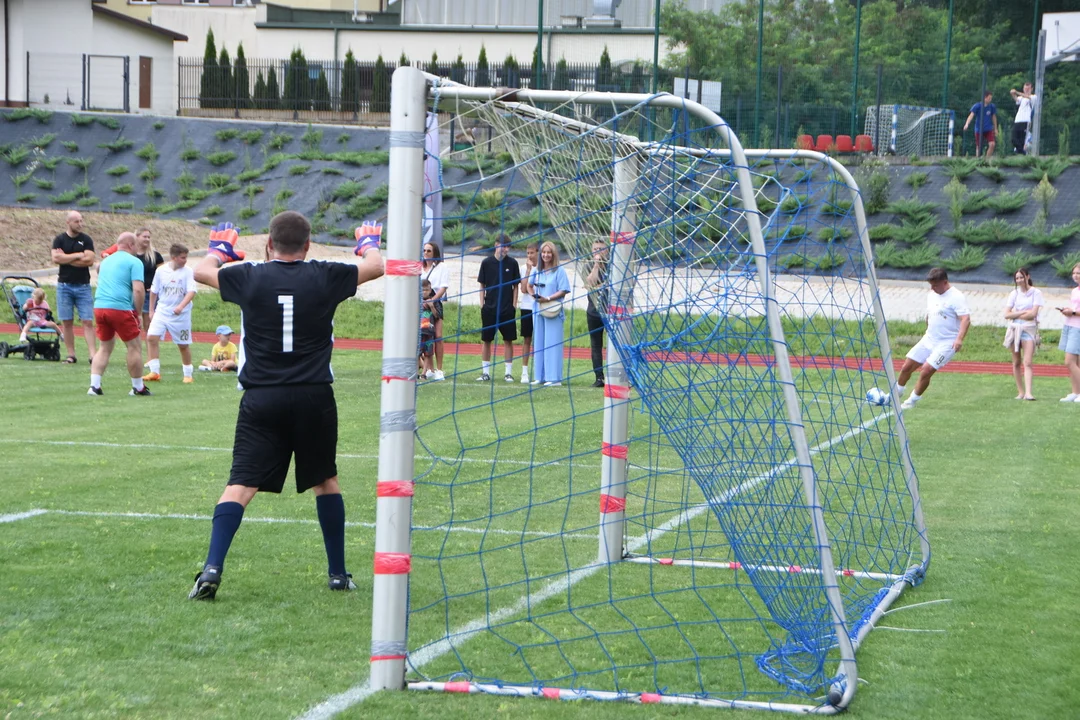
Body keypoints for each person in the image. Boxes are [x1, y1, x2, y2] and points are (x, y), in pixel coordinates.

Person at [187, 213, 384, 600]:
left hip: (262, 397)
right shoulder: (325, 274)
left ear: (268, 245)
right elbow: (375, 266)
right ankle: (338, 574)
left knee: (241, 484)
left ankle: (212, 567)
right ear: (308, 245)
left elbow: (201, 272)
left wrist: (219, 250)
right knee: (325, 480)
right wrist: (367, 242)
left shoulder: (249, 276)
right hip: (313, 395)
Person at [895, 268, 970, 410]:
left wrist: (959, 339)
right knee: (907, 366)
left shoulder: (956, 297)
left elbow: (965, 319)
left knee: (926, 370)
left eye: (935, 285)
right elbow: (931, 313)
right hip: (929, 338)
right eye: (931, 285)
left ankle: (911, 401)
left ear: (945, 282)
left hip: (947, 343)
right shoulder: (932, 294)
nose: (932, 288)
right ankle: (895, 394)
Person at [88, 232, 149, 397]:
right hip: (120, 307)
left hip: (100, 306)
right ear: (130, 245)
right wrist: (137, 312)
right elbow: (138, 289)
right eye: (135, 244)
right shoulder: (135, 262)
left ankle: (94, 386)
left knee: (105, 347)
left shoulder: (106, 262)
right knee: (134, 346)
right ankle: (138, 386)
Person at [143, 243, 196, 384]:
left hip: (181, 315)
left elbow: (191, 292)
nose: (185, 260)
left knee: (183, 344)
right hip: (162, 311)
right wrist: (151, 310)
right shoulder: (161, 271)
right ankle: (154, 372)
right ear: (173, 257)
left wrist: (181, 306)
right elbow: (154, 291)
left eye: (186, 257)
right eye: (183, 257)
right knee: (151, 338)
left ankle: (188, 374)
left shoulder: (188, 271)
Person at [51, 210, 97, 364]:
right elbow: (56, 258)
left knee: (87, 321)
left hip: (83, 286)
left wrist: (66, 258)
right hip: (64, 286)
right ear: (68, 222)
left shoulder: (86, 240)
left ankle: (93, 355)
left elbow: (89, 260)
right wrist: (78, 255)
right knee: (67, 322)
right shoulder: (59, 240)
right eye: (77, 221)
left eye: (81, 221)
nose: (80, 224)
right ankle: (71, 355)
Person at [476, 235, 521, 382]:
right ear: (496, 245)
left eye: (508, 246)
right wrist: (482, 304)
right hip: (489, 308)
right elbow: (482, 285)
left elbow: (516, 286)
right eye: (503, 246)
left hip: (507, 309)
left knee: (508, 340)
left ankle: (508, 373)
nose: (505, 249)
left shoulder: (513, 263)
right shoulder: (486, 263)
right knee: (487, 340)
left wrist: (514, 305)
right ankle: (485, 372)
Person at [529, 240, 571, 387]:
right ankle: (539, 376)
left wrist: (548, 298)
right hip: (538, 310)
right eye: (544, 252)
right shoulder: (536, 270)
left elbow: (564, 289)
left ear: (553, 254)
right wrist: (534, 295)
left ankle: (554, 378)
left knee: (552, 343)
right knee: (539, 342)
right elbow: (528, 285)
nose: (546, 255)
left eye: (549, 252)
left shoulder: (559, 270)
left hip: (553, 310)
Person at [1003, 267, 1043, 401]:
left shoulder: (1036, 292)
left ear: (1027, 276)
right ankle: (1020, 391)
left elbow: (1033, 314)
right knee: (1016, 362)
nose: (1019, 280)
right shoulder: (1014, 293)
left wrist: (1017, 314)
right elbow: (1006, 314)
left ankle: (1029, 392)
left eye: (1021, 277)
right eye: (1017, 278)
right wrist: (1021, 313)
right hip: (1015, 329)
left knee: (1028, 362)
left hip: (1028, 329)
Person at [584, 239, 609, 388]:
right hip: (594, 311)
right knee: (595, 344)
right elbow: (590, 283)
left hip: (611, 312)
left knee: (615, 344)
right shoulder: (588, 266)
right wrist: (596, 265)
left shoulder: (614, 266)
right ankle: (599, 377)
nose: (598, 251)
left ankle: (618, 376)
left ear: (607, 250)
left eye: (601, 248)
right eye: (595, 249)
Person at [421, 241, 448, 381]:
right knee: (425, 335)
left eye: (429, 251)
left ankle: (439, 369)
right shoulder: (419, 267)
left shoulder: (441, 267)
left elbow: (443, 287)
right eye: (424, 250)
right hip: (420, 304)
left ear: (435, 252)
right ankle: (429, 369)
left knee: (437, 335)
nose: (425, 253)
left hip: (435, 303)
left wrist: (432, 301)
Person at [1056, 263, 1080, 403]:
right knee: (1076, 363)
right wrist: (1068, 310)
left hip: (1078, 328)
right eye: (1074, 273)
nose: (1075, 276)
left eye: (1078, 273)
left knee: (1069, 362)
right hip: (1070, 325)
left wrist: (1073, 312)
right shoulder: (1075, 290)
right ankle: (1075, 392)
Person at [518, 242, 538, 384]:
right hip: (527, 307)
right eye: (528, 253)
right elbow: (524, 289)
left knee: (541, 340)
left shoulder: (544, 268)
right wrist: (528, 271)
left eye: (532, 253)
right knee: (527, 339)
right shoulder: (523, 268)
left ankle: (539, 371)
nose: (530, 256)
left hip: (541, 307)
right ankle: (524, 372)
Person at [963, 91, 998, 159]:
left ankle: (986, 160)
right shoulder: (977, 106)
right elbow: (971, 115)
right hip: (979, 129)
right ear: (985, 98)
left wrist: (995, 128)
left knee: (992, 144)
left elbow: (994, 117)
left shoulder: (991, 106)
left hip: (988, 129)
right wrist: (967, 124)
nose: (990, 100)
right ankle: (978, 161)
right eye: (989, 98)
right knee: (979, 146)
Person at [419, 279, 441, 378]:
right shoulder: (417, 301)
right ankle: (416, 372)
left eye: (427, 290)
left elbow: (437, 316)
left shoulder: (433, 301)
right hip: (419, 332)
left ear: (430, 289)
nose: (425, 292)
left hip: (429, 332)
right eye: (422, 290)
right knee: (418, 353)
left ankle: (424, 373)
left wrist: (432, 307)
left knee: (428, 353)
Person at [1009, 82, 1036, 155]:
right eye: (1025, 88)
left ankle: (1021, 154)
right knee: (1014, 139)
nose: (1026, 90)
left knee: (1022, 140)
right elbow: (1016, 99)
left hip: (1026, 121)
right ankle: (1022, 153)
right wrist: (1013, 94)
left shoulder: (1033, 97)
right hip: (1018, 120)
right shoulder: (1021, 98)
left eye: (1028, 88)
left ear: (1031, 89)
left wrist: (1017, 92)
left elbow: (1027, 97)